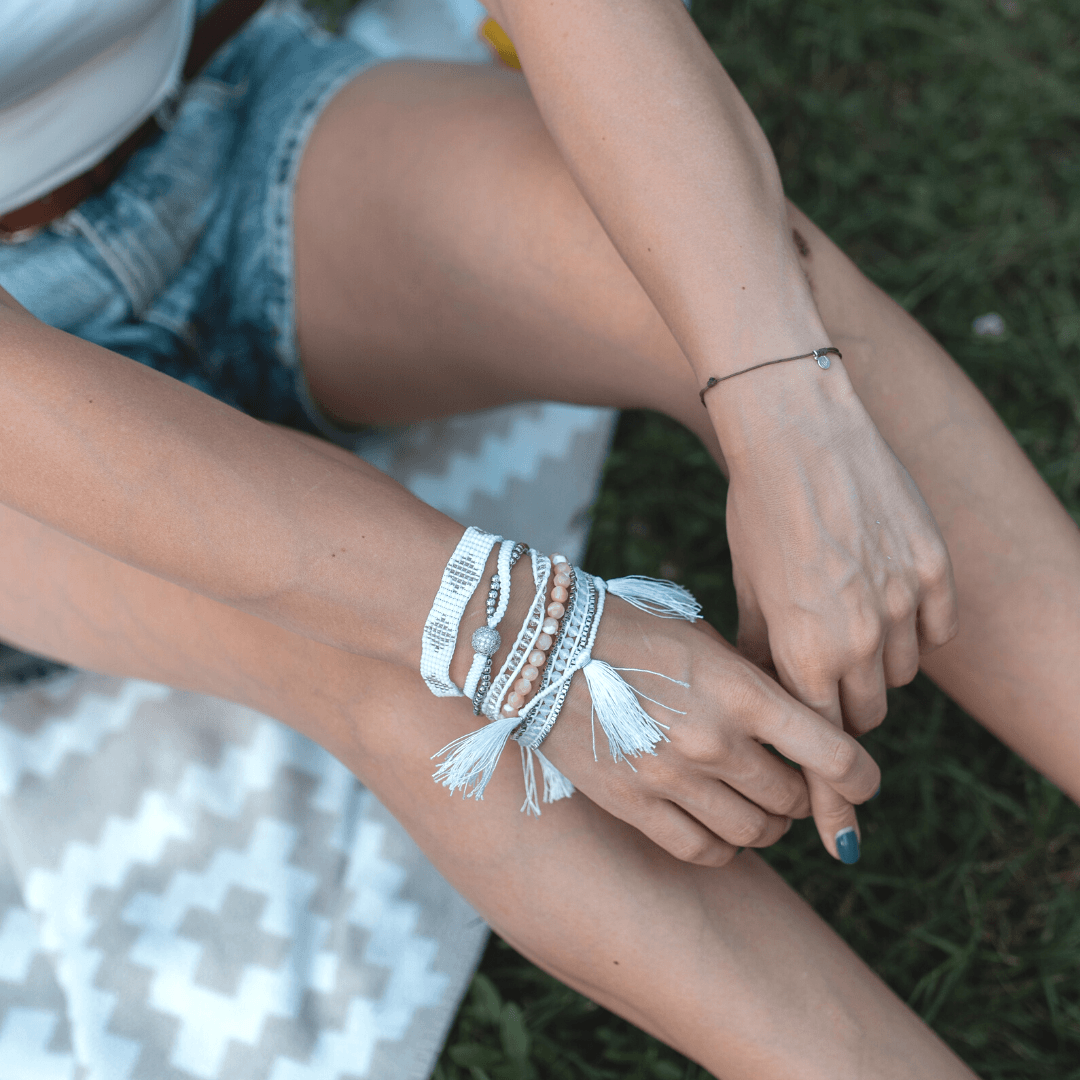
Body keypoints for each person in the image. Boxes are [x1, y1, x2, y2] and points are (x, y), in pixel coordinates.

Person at [0, 0, 1076, 1076]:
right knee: (425, 674)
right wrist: (529, 632)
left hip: (209, 127)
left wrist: (789, 408)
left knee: (780, 300)